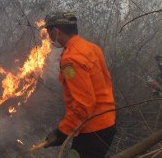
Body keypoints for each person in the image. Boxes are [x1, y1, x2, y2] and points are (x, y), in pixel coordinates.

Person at [41, 11, 116, 158]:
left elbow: (84, 104)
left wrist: (62, 132)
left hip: (93, 129)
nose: (49, 37)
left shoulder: (72, 59)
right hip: (106, 123)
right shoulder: (91, 48)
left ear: (56, 32)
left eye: (48, 32)